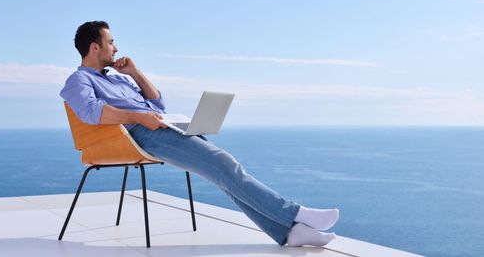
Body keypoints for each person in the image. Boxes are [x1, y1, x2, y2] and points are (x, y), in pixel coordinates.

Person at [60, 21, 339, 247]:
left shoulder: (119, 78)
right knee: (224, 164)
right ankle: (295, 214)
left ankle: (289, 234)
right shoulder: (79, 80)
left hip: (158, 126)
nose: (116, 47)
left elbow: (158, 103)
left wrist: (135, 72)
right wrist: (137, 116)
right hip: (141, 135)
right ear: (94, 47)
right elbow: (90, 112)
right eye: (110, 43)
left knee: (223, 171)